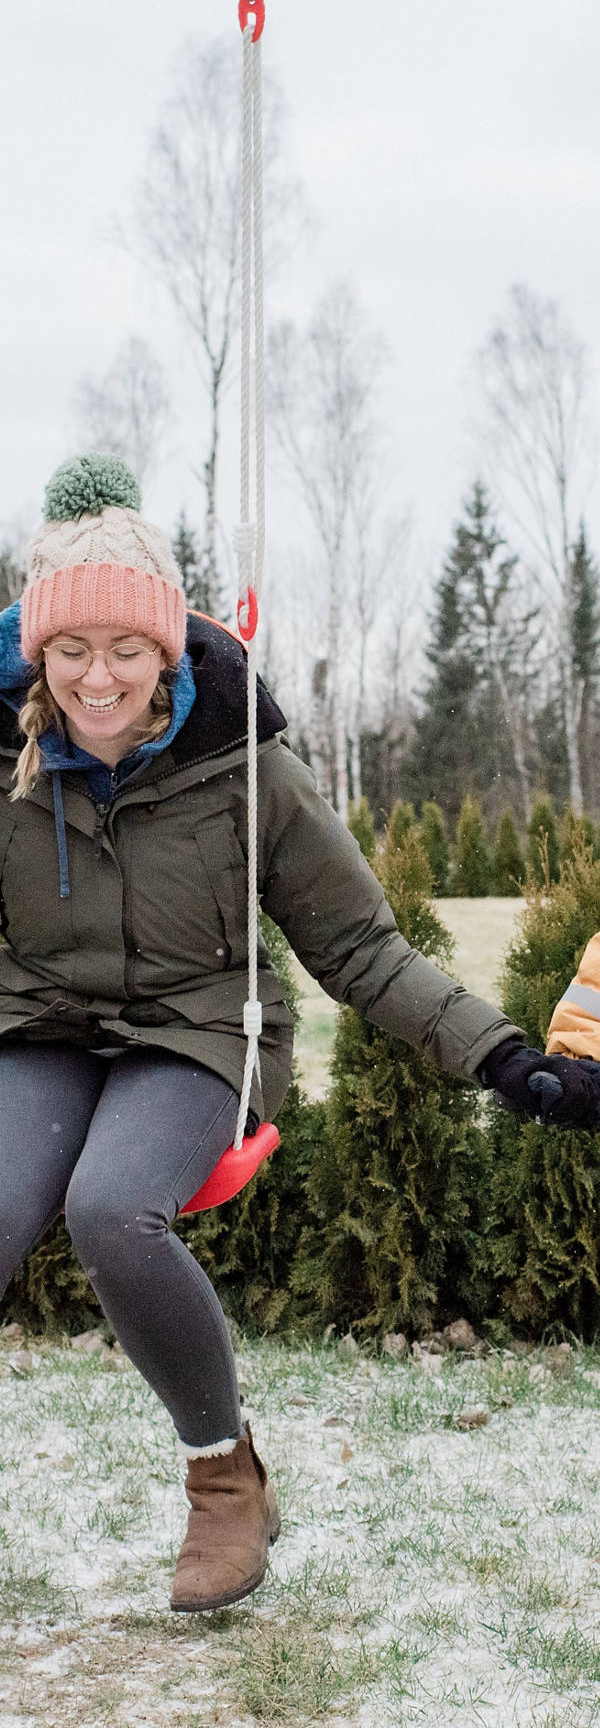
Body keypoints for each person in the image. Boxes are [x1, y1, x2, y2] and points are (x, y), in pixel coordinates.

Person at [0, 452, 597, 1618]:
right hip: (41, 1024)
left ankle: (225, 1476)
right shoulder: (4, 762)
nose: (98, 676)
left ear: (170, 645)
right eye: (70, 650)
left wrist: (506, 1059)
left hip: (200, 1032)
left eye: (127, 647)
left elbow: (364, 947)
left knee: (111, 1207)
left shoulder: (243, 764)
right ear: (36, 651)